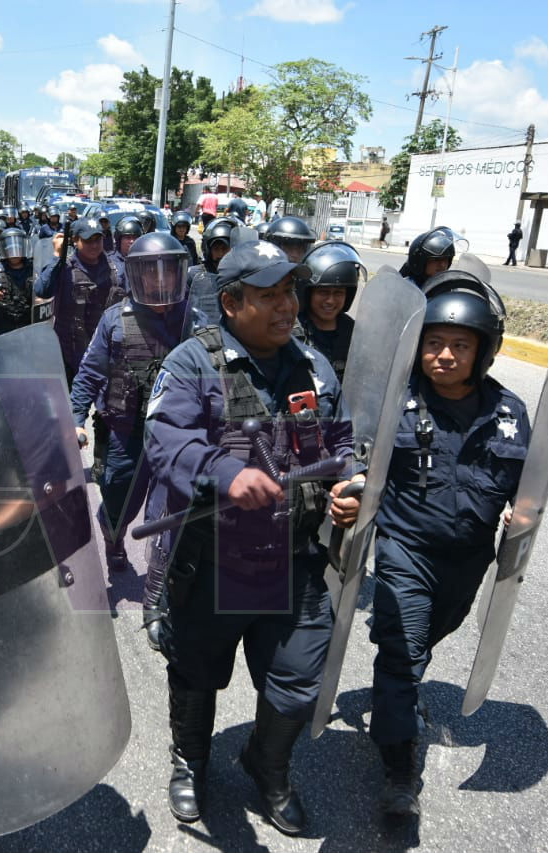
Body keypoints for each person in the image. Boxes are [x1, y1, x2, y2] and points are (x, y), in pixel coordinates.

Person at [143, 239, 364, 837]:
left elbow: (338, 447)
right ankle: (190, 762)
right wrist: (226, 473)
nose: (287, 306)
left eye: (289, 291)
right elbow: (166, 440)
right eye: (269, 295)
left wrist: (349, 486)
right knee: (195, 674)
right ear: (232, 303)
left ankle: (268, 766)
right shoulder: (192, 363)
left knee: (296, 685)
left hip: (294, 563)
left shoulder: (313, 367)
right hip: (213, 562)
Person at [368, 269, 528, 819]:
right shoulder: (395, 402)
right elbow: (356, 458)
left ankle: (396, 688)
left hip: (469, 559)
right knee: (403, 654)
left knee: (431, 635)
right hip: (404, 550)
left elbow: (527, 483)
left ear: (483, 351)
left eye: (460, 346)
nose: (444, 356)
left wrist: (520, 508)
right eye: (434, 344)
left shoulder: (510, 415)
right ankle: (397, 772)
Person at [71, 232, 195, 574]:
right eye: (151, 271)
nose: (160, 279)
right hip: (126, 433)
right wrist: (76, 418)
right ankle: (114, 541)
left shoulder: (192, 318)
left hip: (177, 434)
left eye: (167, 271)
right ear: (136, 275)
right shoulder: (115, 320)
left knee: (173, 509)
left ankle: (164, 574)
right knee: (117, 502)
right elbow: (90, 373)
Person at [34, 216, 126, 383]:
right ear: (75, 240)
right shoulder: (64, 267)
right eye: (88, 240)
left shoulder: (115, 267)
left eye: (98, 239)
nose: (94, 245)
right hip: (69, 354)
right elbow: (42, 289)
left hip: (105, 353)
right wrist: (57, 256)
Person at [293, 241, 365, 383]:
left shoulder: (354, 333)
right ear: (308, 293)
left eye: (338, 293)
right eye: (323, 292)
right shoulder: (294, 331)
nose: (330, 301)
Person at [0, 223, 36, 336]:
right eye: (11, 247)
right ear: (4, 248)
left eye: (17, 246)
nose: (14, 251)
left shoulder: (33, 269)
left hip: (28, 325)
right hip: (3, 326)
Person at [186, 217, 238, 324]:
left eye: (224, 249)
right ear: (209, 251)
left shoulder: (240, 276)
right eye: (216, 249)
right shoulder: (194, 275)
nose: (220, 254)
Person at [400, 226, 466, 287]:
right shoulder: (406, 288)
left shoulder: (447, 287)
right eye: (436, 259)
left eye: (446, 259)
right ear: (420, 262)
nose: (442, 265)